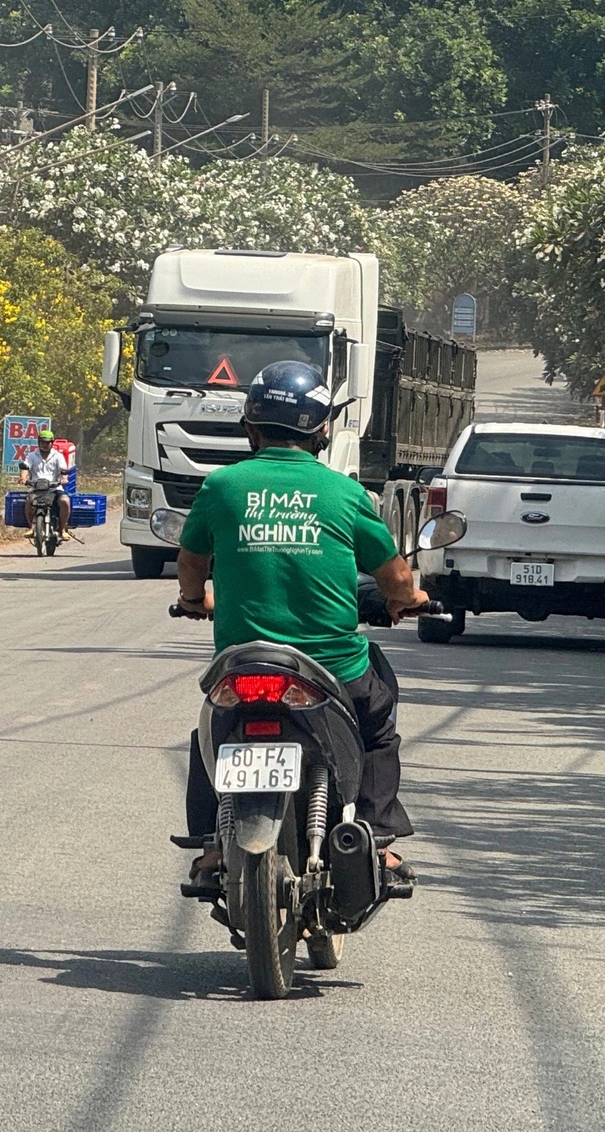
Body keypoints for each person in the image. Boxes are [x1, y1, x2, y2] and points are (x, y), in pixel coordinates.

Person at [173, 358, 424, 890]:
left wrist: (194, 599)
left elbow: (191, 559)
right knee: (377, 721)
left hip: (242, 664)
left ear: (251, 426)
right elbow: (393, 578)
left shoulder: (221, 487)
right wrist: (410, 598)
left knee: (207, 734)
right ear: (322, 430)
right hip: (332, 668)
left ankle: (212, 845)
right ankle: (377, 839)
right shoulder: (346, 493)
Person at [18, 434, 72, 538]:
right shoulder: (32, 455)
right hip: (36, 488)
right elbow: (25, 467)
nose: (45, 445)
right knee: (29, 500)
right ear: (39, 443)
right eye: (42, 442)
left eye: (47, 443)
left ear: (52, 443)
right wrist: (23, 478)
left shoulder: (58, 456)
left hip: (54, 488)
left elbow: (63, 469)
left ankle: (62, 529)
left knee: (65, 501)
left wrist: (64, 478)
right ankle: (31, 527)